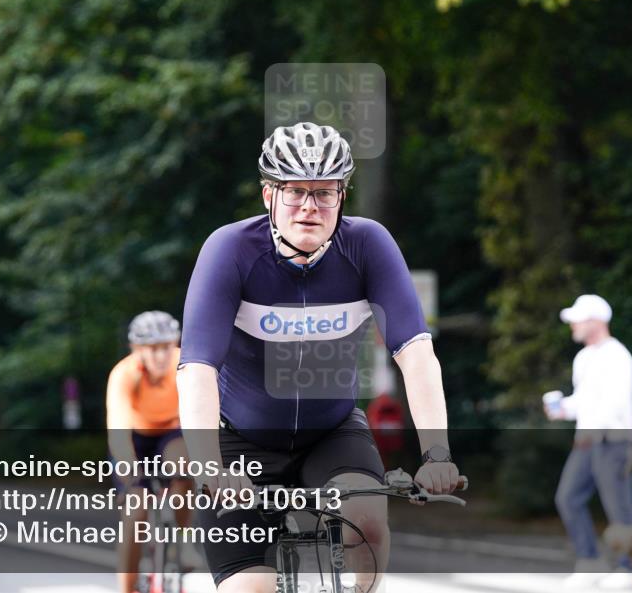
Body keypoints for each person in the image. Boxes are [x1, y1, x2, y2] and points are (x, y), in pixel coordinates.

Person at [177, 122, 462, 593]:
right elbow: (197, 370)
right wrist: (209, 466)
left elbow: (416, 354)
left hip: (331, 434)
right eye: (295, 191)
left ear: (342, 197)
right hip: (239, 443)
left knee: (366, 521)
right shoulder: (230, 249)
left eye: (325, 192)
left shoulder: (367, 244)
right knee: (251, 590)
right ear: (269, 195)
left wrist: (437, 453)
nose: (309, 206)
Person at [544, 294, 632, 589]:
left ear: (597, 321)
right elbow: (585, 401)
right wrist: (564, 409)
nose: (573, 325)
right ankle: (590, 561)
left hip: (613, 440)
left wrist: (587, 424)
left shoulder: (618, 355)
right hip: (587, 441)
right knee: (568, 497)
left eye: (578, 320)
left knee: (618, 505)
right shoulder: (583, 357)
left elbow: (616, 403)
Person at [106, 311, 192, 593]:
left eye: (166, 346)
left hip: (172, 432)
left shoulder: (185, 366)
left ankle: (182, 540)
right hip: (135, 437)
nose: (160, 356)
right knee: (136, 510)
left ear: (175, 343)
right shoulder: (124, 374)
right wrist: (128, 468)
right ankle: (127, 588)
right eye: (152, 348)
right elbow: (118, 428)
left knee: (184, 467)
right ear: (137, 349)